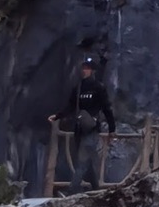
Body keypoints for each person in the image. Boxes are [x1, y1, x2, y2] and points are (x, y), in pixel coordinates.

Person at [49, 53, 116, 192]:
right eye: (83, 68)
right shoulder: (78, 88)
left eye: (87, 68)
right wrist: (57, 116)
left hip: (92, 130)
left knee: (82, 162)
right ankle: (96, 189)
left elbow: (107, 108)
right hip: (79, 129)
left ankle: (71, 192)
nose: (84, 70)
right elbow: (71, 106)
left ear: (93, 70)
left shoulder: (98, 87)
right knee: (87, 162)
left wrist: (112, 129)